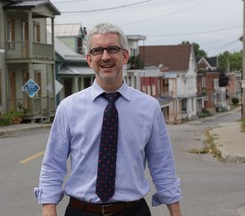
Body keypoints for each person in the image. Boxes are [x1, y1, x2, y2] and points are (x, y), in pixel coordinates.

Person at [35, 23, 182, 216]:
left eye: (112, 49)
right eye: (97, 51)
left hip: (133, 211)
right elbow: (53, 164)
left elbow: (162, 165)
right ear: (89, 59)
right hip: (81, 211)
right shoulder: (69, 108)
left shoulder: (149, 108)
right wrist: (48, 208)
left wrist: (176, 212)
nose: (105, 57)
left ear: (125, 55)